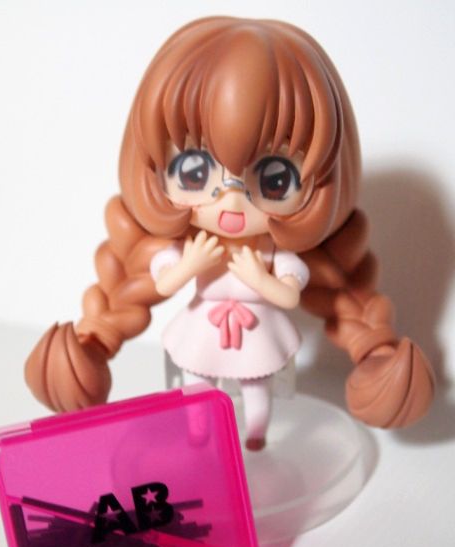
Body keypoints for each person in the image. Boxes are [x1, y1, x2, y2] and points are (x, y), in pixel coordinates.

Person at [25, 17, 434, 449]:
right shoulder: (188, 244)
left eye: (275, 179)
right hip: (203, 333)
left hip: (258, 337)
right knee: (197, 389)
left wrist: (376, 353)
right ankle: (200, 438)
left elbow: (326, 295)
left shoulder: (280, 253)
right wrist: (92, 346)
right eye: (195, 171)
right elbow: (146, 284)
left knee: (257, 394)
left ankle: (255, 440)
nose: (233, 201)